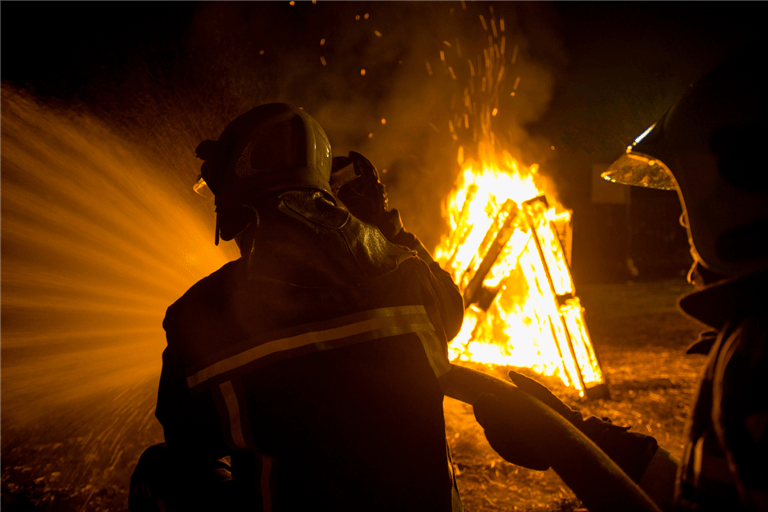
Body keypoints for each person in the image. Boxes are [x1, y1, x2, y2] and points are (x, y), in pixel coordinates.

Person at [129, 103, 465, 511]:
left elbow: (187, 436)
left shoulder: (203, 314)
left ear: (234, 197)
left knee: (160, 469)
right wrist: (387, 227)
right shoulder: (410, 275)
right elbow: (452, 314)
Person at [474, 47, 768, 511]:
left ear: (730, 192)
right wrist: (581, 435)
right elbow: (703, 498)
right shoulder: (754, 338)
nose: (681, 224)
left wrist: (563, 444)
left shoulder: (764, 356)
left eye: (683, 200)